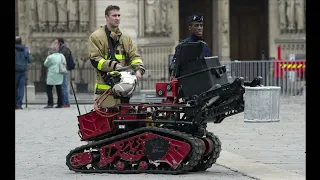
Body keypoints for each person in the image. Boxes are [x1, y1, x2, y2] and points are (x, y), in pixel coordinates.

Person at [88, 5, 145, 107]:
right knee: (106, 121)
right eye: (114, 15)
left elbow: (135, 56)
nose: (117, 18)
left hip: (124, 89)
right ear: (106, 17)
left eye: (119, 15)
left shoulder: (126, 39)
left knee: (124, 119)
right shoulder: (96, 37)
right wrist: (114, 66)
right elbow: (95, 59)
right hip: (105, 91)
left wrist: (138, 69)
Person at [15, 36, 32, 109]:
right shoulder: (25, 49)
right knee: (21, 88)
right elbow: (30, 60)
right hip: (23, 71)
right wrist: (29, 54)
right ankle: (19, 104)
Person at [54, 38, 71, 108]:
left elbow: (61, 60)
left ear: (60, 43)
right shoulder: (63, 49)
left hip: (63, 70)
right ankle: (64, 102)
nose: (55, 45)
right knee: (63, 87)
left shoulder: (63, 50)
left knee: (64, 87)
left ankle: (66, 102)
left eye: (56, 43)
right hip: (62, 70)